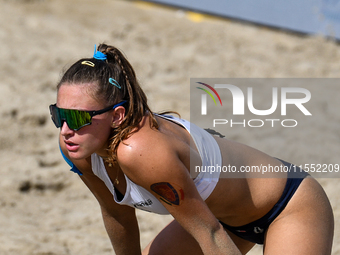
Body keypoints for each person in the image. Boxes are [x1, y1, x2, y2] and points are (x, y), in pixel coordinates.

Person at [49, 44, 334, 255]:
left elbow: (209, 234)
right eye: (59, 115)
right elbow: (116, 214)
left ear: (117, 116)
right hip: (222, 220)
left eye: (77, 118)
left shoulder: (139, 150)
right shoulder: (77, 148)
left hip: (286, 206)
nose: (65, 129)